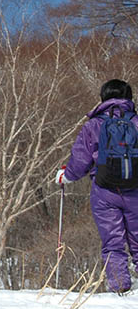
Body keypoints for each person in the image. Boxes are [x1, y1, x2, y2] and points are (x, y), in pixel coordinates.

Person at [56, 79, 138, 293]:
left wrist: (67, 176)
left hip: (104, 191)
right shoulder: (136, 121)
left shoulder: (93, 124)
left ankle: (119, 287)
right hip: (135, 190)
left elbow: (80, 160)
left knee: (113, 241)